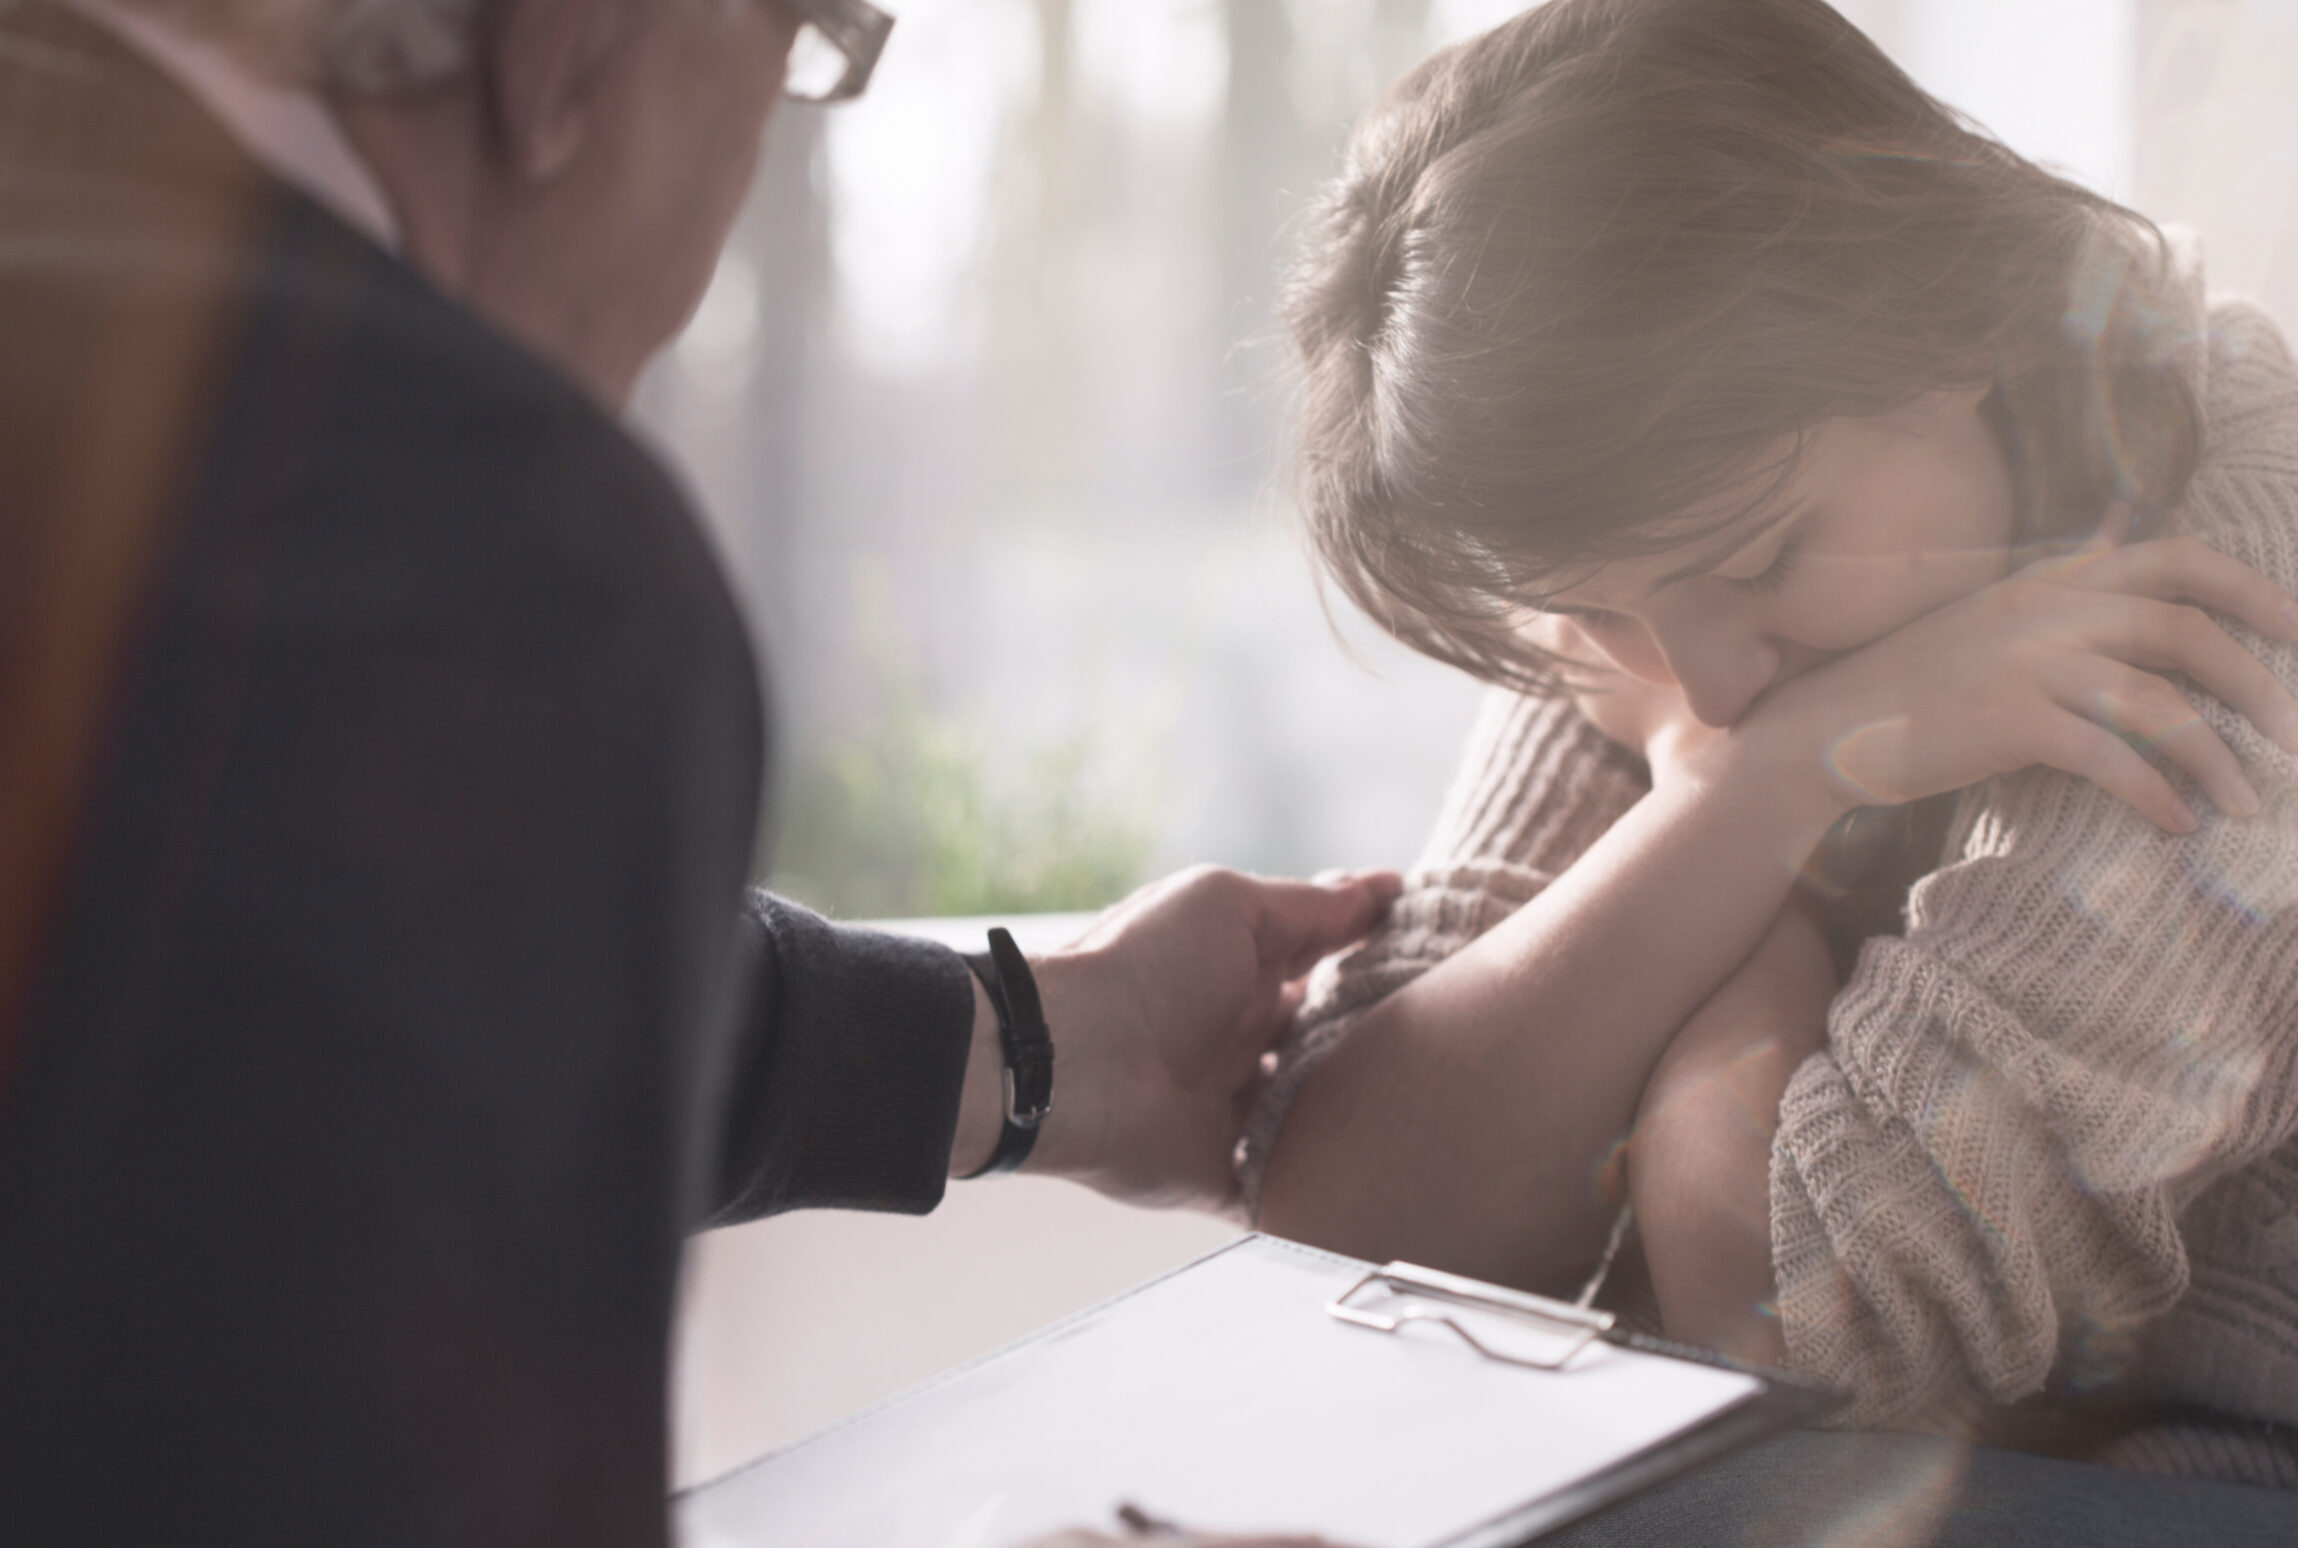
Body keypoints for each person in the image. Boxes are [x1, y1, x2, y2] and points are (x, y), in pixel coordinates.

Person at [0, 1, 1376, 1543]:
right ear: (570, 47)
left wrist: (1059, 1050)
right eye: (796, 46)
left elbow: (266, 966)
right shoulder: (452, 551)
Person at [1244, 1, 2298, 1545]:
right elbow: (1334, 1234)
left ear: (1960, 325)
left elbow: (1813, 1328)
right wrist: (1761, 787)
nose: (1707, 681)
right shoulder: (1675, 578)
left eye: (1766, 560)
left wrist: (1725, 854)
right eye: (1596, 613)